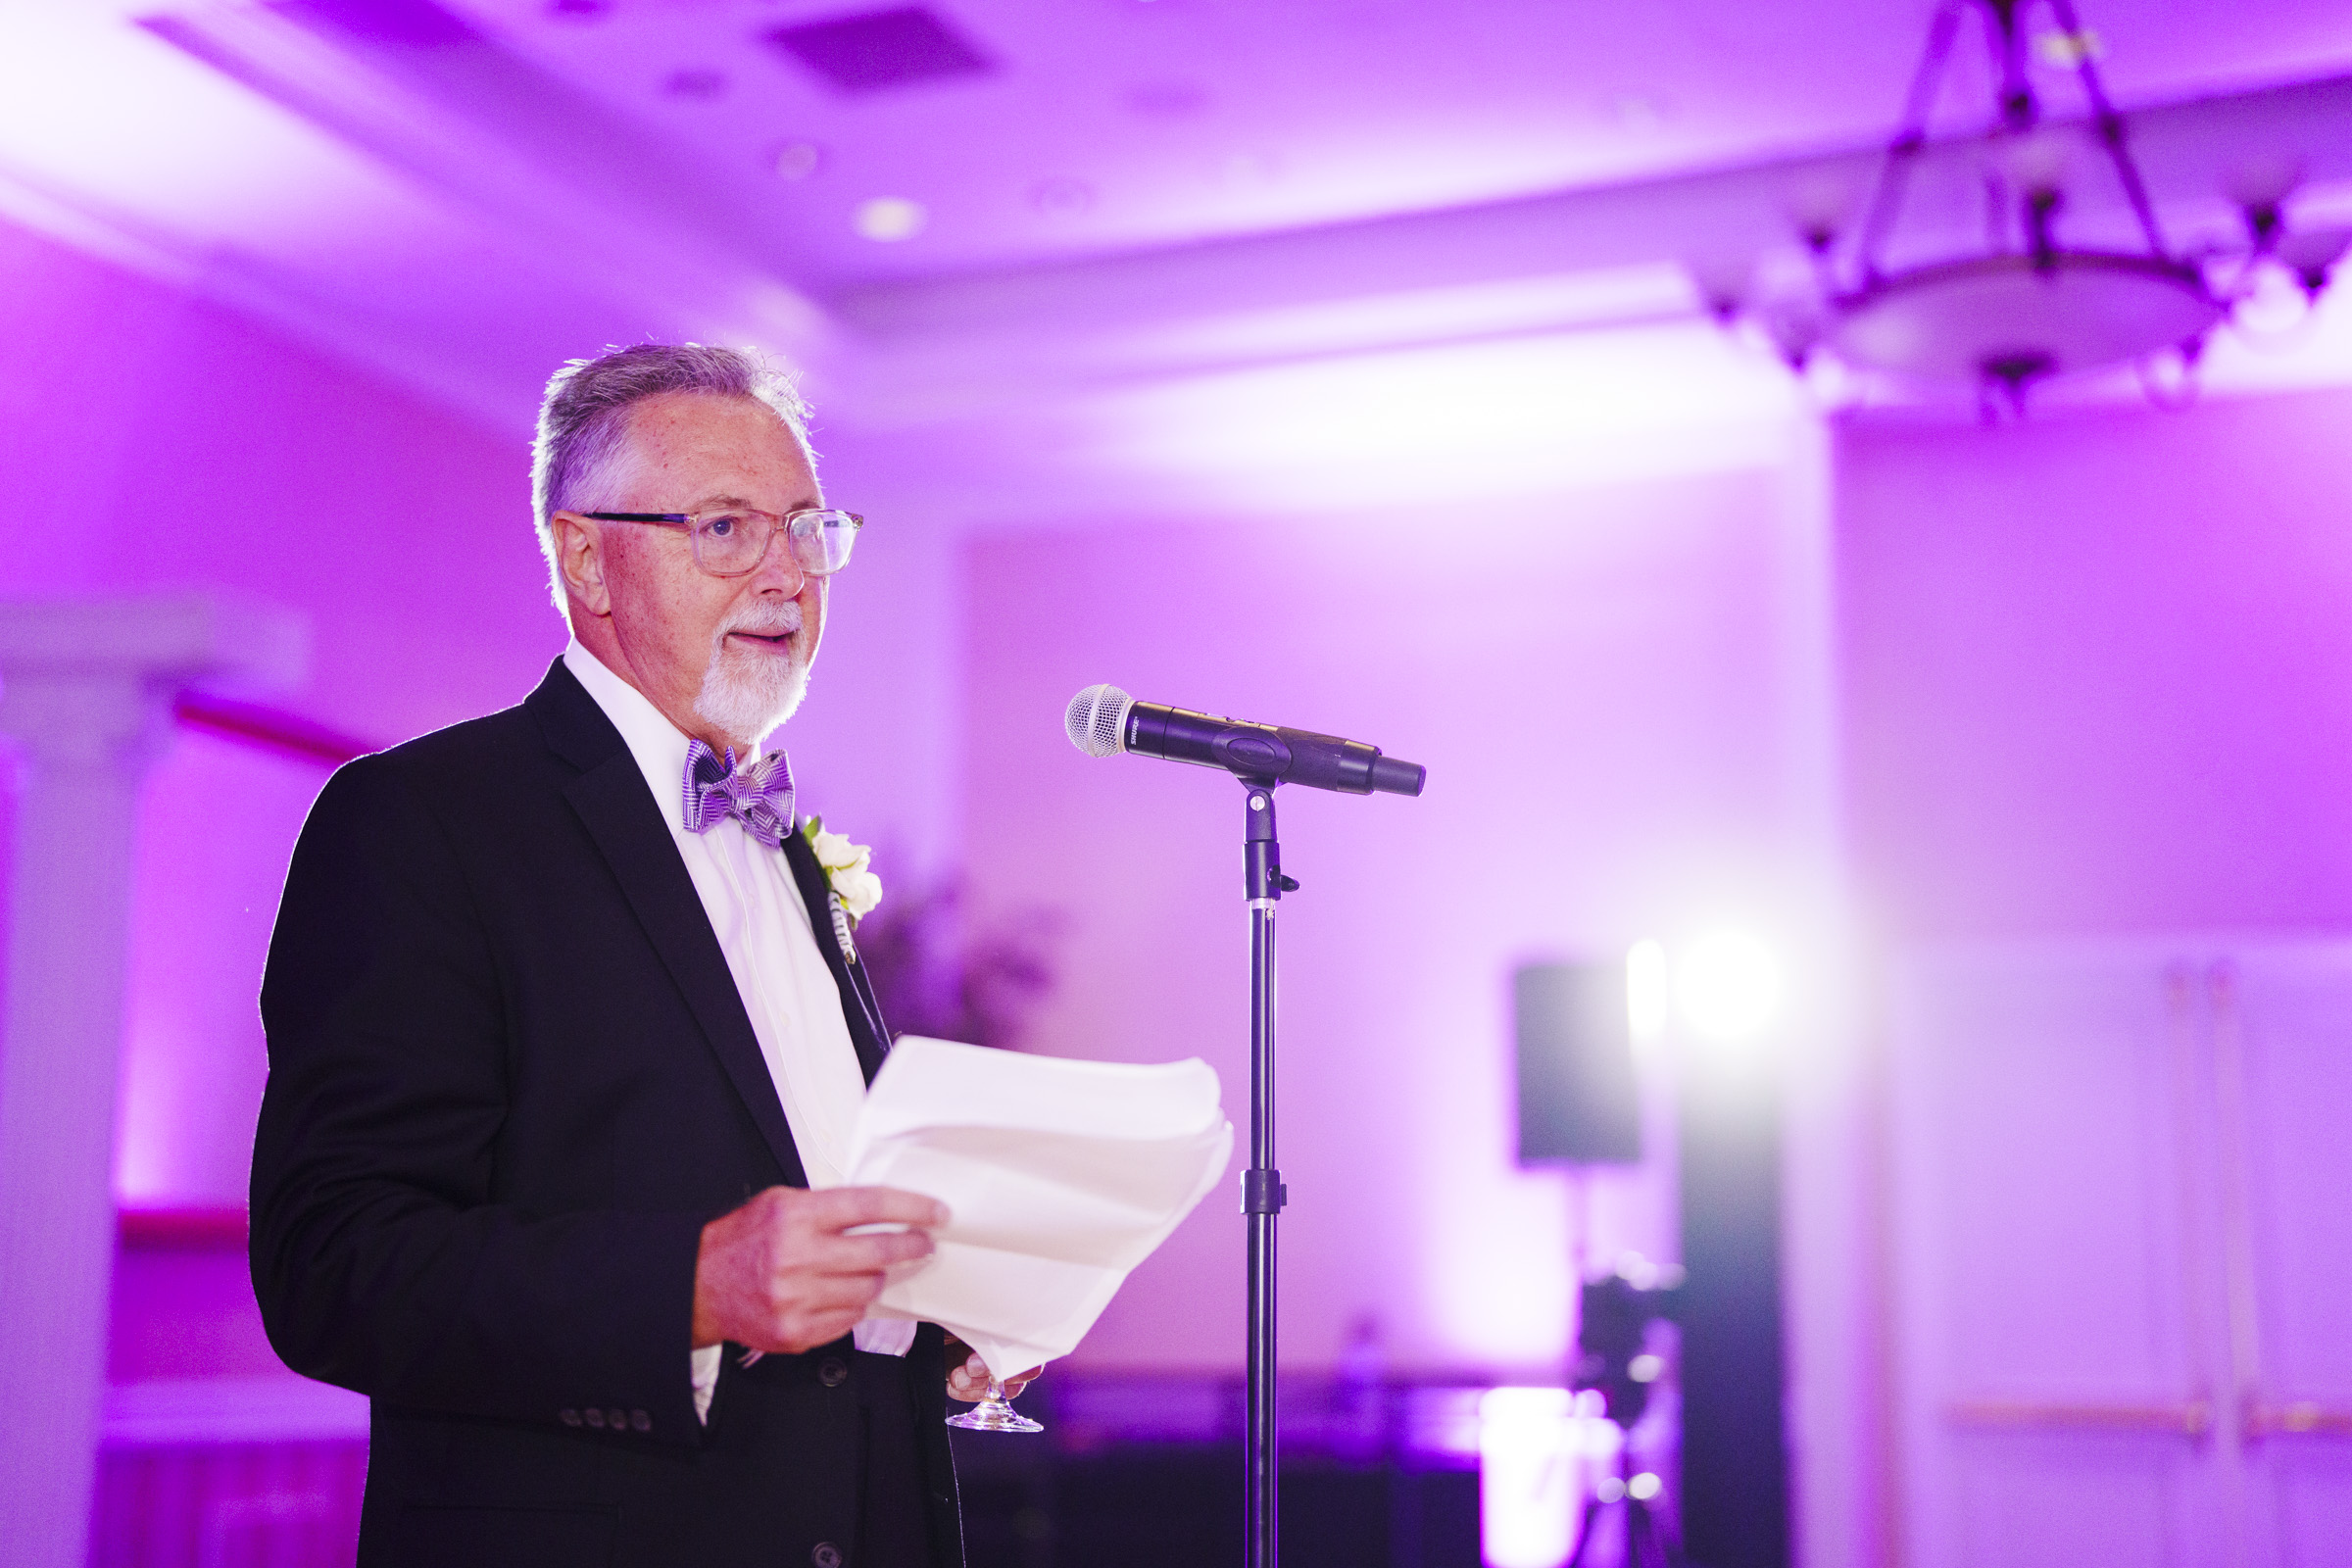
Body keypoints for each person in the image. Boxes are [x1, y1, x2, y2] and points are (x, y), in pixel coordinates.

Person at [251, 343, 1025, 1568]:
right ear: (584, 557)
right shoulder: (423, 820)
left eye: (807, 528)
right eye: (726, 526)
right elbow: (335, 1264)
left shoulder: (794, 858)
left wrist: (937, 1324)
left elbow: (801, 1218)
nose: (786, 574)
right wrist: (695, 1285)